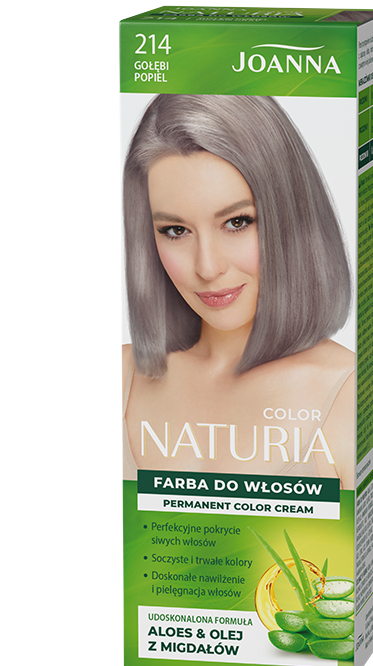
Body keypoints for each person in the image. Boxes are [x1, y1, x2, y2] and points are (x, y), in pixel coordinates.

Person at [120, 95, 356, 487]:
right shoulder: (117, 377)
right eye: (175, 230)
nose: (208, 267)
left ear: (290, 217)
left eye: (237, 222)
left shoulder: (350, 396)